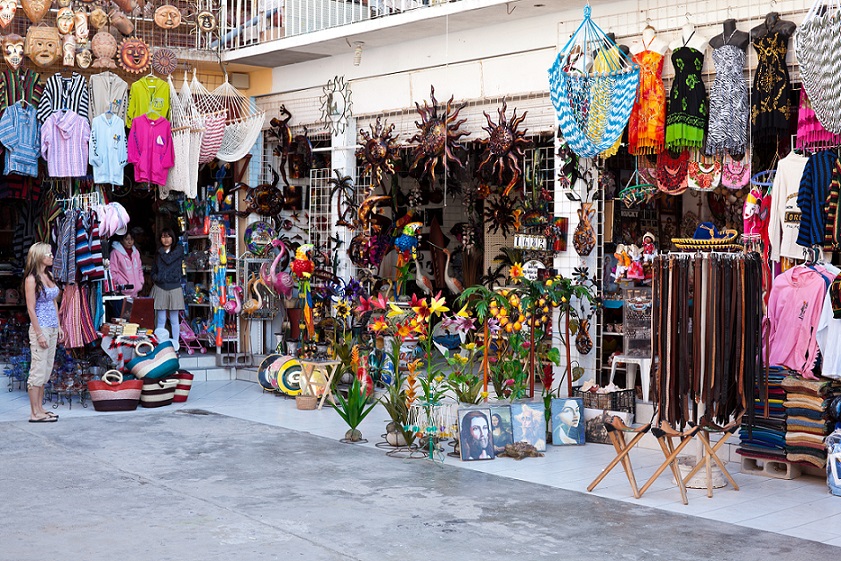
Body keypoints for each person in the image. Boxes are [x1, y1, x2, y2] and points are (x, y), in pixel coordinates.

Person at [23, 242, 62, 423]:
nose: (51, 256)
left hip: (52, 326)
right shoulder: (31, 279)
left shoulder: (49, 275)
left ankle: (40, 408)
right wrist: (39, 333)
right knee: (38, 369)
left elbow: (54, 301)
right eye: (48, 254)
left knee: (46, 369)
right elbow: (31, 309)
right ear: (39, 256)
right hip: (41, 327)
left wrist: (59, 325)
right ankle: (34, 412)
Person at [150, 228, 185, 351]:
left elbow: (169, 259)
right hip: (160, 286)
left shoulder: (179, 249)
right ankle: (160, 344)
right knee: (161, 319)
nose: (166, 239)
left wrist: (160, 251)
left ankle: (175, 345)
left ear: (173, 238)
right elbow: (153, 269)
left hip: (174, 286)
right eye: (163, 236)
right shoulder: (158, 253)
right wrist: (155, 277)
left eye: (168, 236)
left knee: (175, 318)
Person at [108, 231, 143, 315]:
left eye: (132, 239)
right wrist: (123, 284)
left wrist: (140, 282)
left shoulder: (136, 253)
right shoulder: (115, 253)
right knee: (121, 321)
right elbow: (112, 272)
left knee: (133, 321)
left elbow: (139, 269)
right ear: (121, 240)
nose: (129, 241)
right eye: (126, 239)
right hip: (122, 294)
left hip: (135, 294)